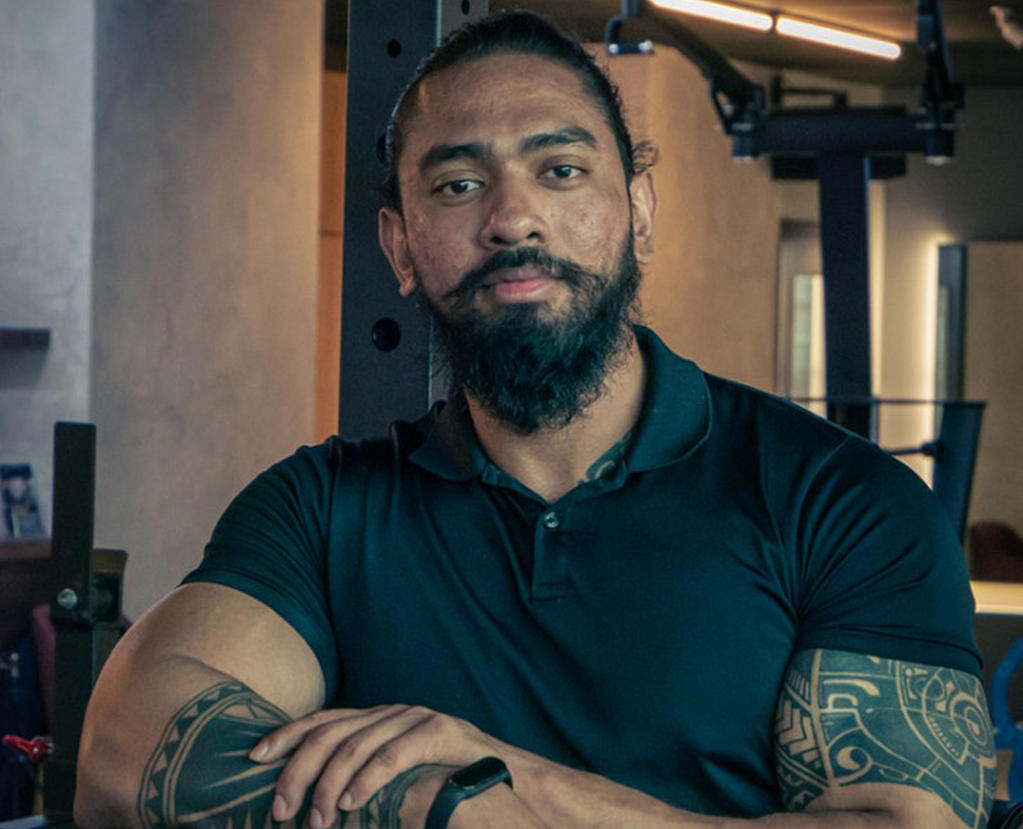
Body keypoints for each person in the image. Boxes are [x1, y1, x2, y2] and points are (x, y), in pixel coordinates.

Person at [75, 11, 996, 829]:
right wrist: (442, 802)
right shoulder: (319, 510)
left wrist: (520, 784)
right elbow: (123, 759)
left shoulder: (844, 503)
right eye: (456, 185)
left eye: (559, 170)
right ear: (400, 248)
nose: (512, 218)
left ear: (636, 209)